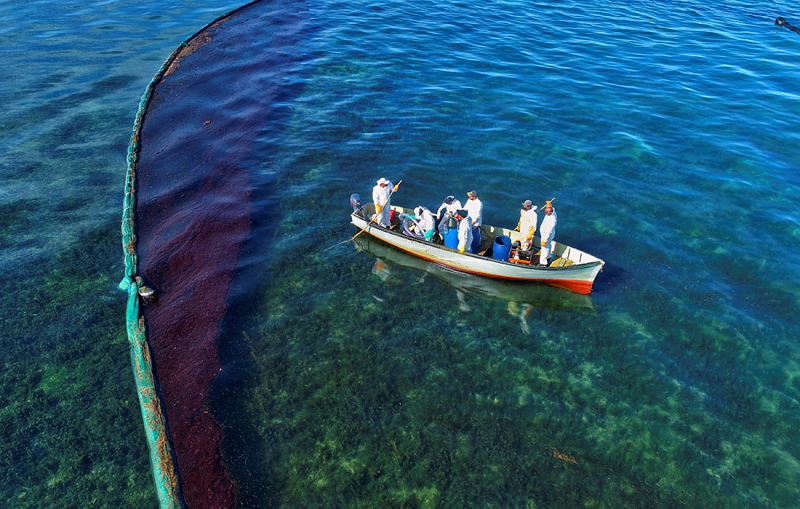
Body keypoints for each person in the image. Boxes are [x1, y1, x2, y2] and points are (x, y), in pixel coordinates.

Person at [538, 200, 557, 266]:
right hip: (550, 235)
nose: (545, 214)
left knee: (544, 248)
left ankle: (543, 263)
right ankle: (548, 257)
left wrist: (545, 240)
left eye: (546, 213)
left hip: (547, 236)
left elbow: (548, 232)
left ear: (549, 213)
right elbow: (553, 209)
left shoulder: (551, 220)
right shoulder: (553, 212)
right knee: (548, 246)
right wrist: (549, 205)